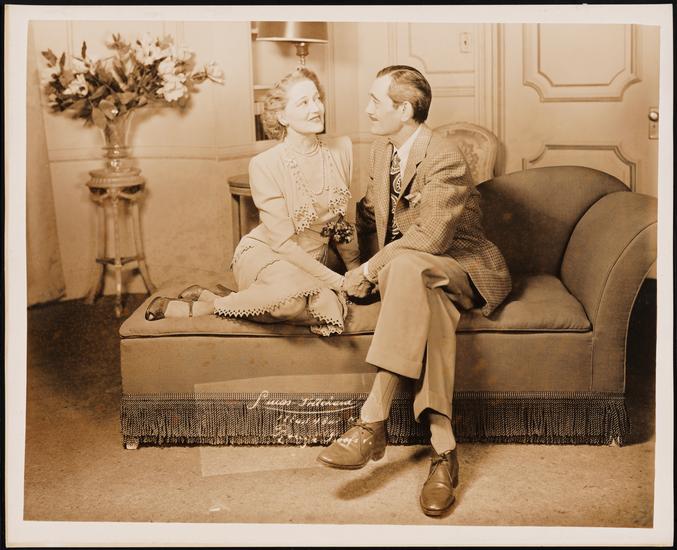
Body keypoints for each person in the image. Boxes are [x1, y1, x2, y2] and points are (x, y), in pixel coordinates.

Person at [316, 65, 512, 516]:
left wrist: (369, 269)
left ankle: (372, 418)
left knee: (406, 265)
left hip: (462, 267)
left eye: (375, 101)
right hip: (417, 279)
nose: (367, 109)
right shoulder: (381, 149)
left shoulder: (444, 155)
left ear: (404, 110)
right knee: (423, 295)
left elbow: (431, 238)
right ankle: (444, 449)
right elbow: (372, 213)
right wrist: (336, 240)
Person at [145, 67, 360, 336]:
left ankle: (226, 299)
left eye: (317, 99)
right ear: (282, 116)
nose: (316, 108)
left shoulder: (342, 149)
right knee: (291, 305)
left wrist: (355, 272)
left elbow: (339, 223)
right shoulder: (265, 164)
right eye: (303, 103)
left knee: (327, 305)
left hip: (314, 261)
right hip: (269, 255)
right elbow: (282, 245)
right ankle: (207, 307)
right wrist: (339, 282)